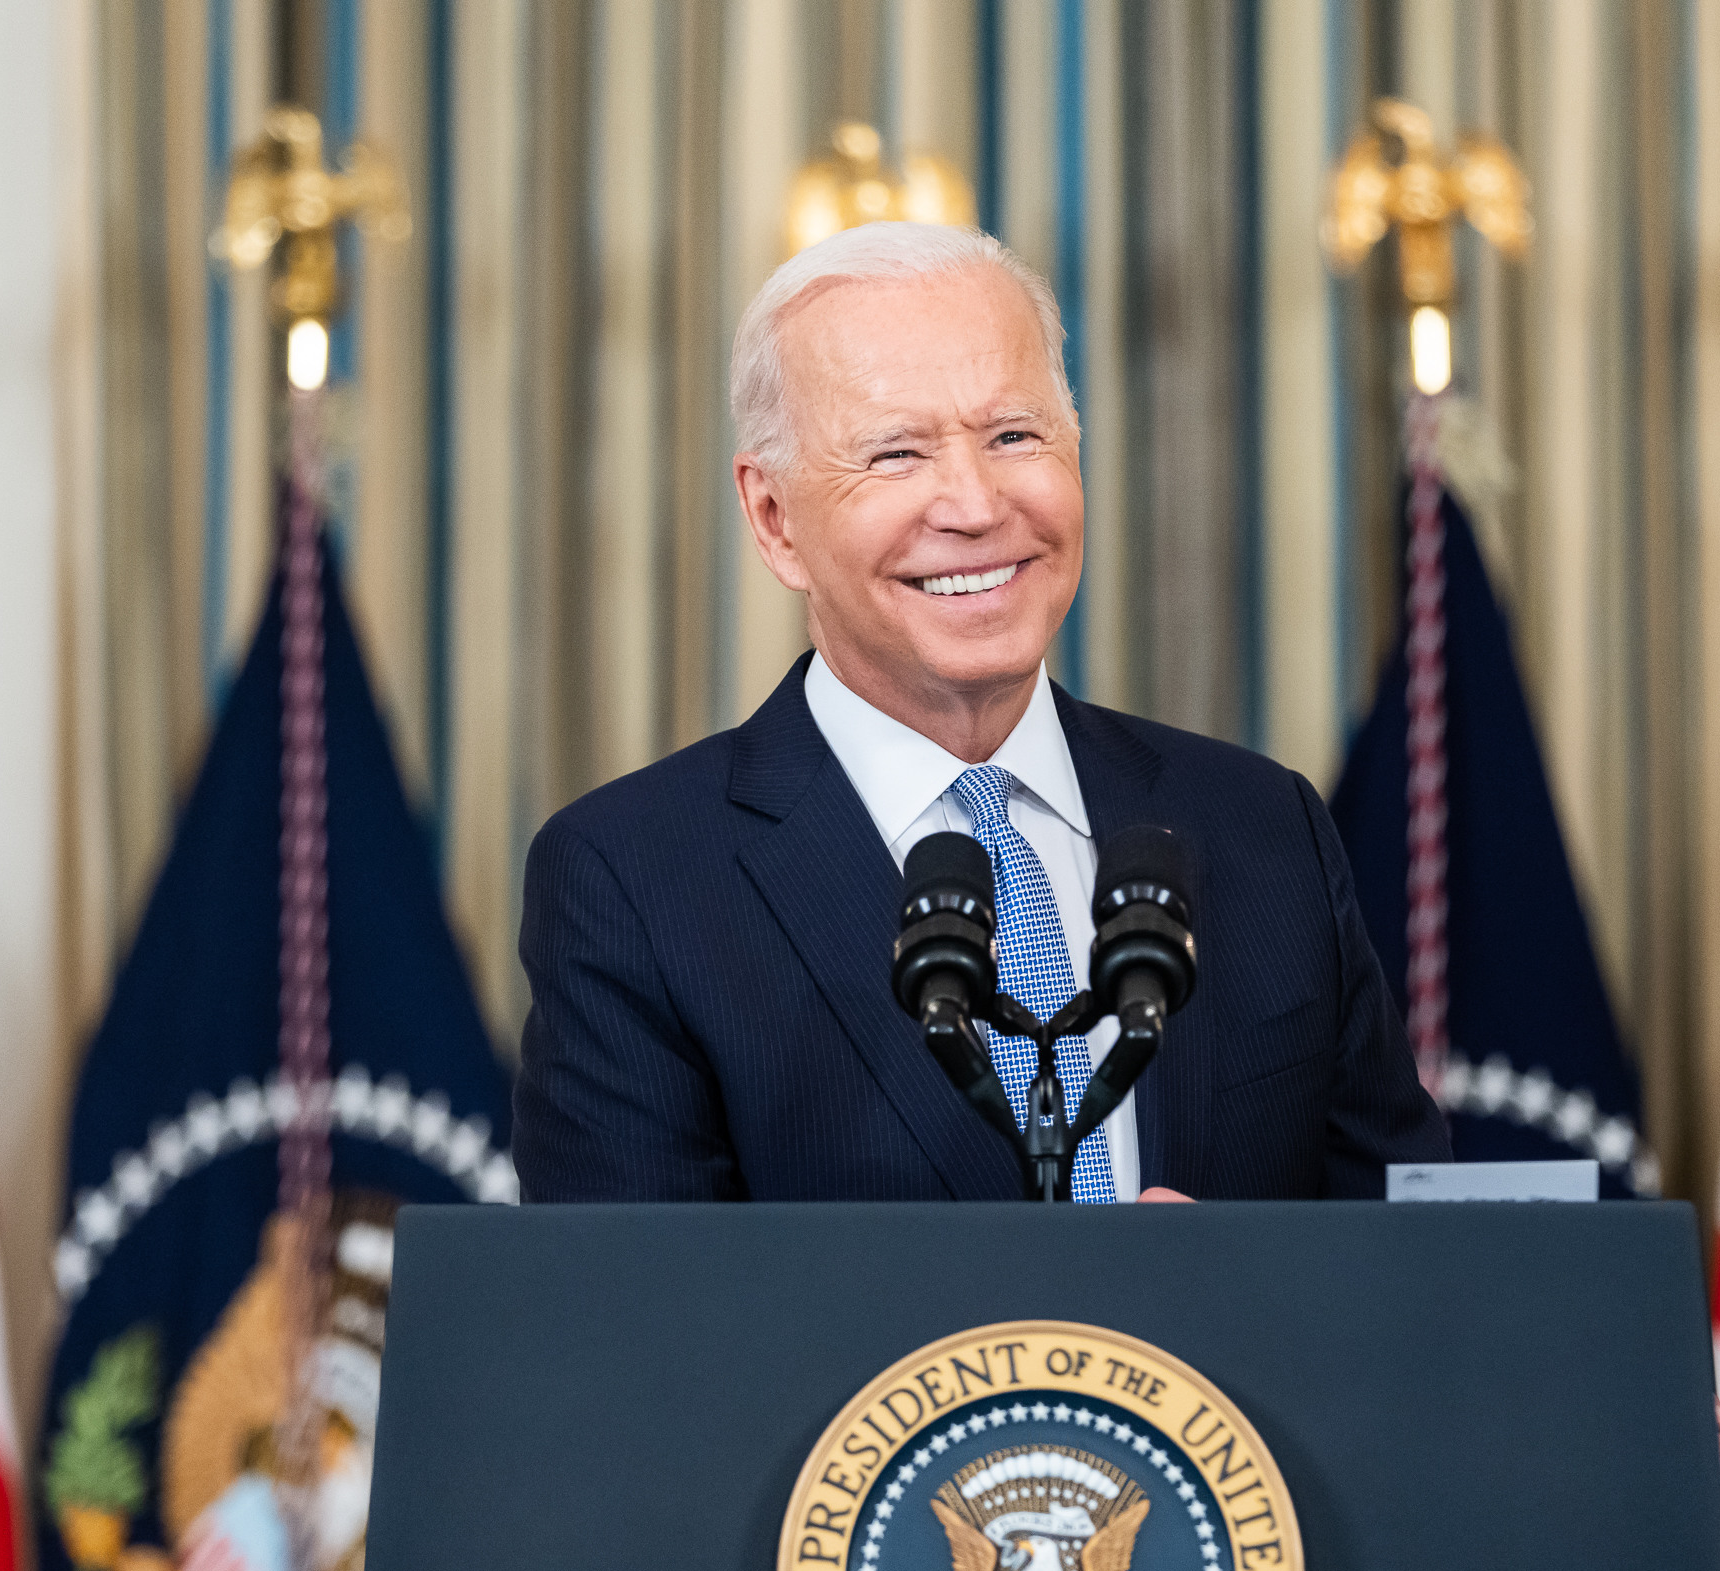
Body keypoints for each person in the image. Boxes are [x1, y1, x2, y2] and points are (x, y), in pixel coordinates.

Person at [510, 220, 1451, 1203]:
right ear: (775, 520)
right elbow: (635, 1330)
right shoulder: (633, 883)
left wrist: (1222, 1296)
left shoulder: (1269, 832)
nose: (971, 503)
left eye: (1014, 436)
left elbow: (1417, 1280)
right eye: (896, 454)